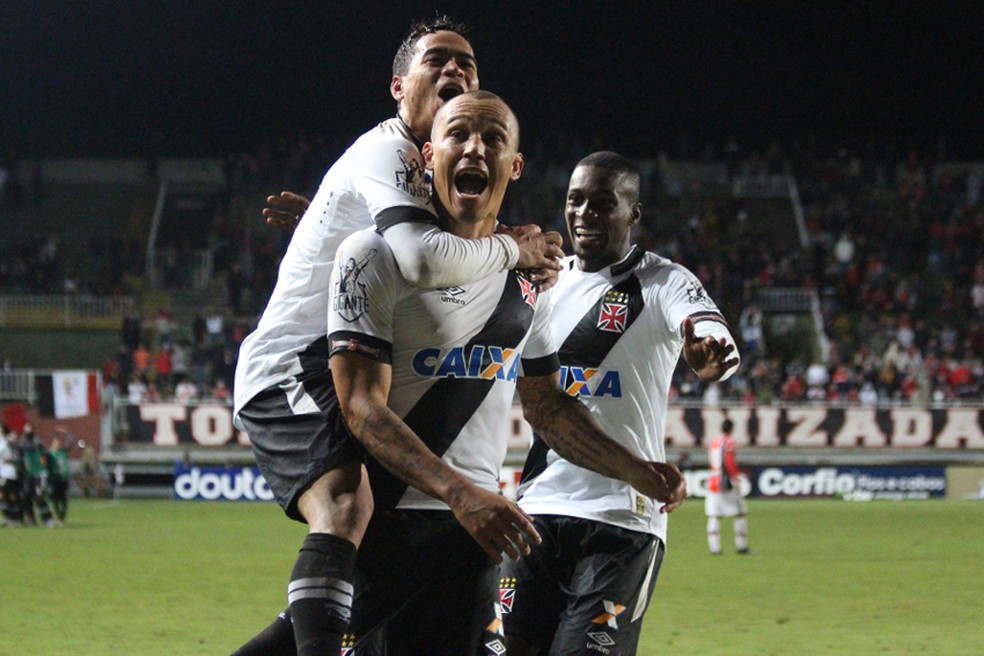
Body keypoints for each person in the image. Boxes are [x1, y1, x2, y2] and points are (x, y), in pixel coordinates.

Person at [231, 17, 562, 656]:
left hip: (401, 430)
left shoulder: (417, 177)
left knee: (367, 578)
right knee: (346, 508)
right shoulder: (385, 152)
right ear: (397, 86)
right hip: (292, 366)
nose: (455, 72)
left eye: (466, 64)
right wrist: (512, 250)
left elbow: (422, 245)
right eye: (436, 60)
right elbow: (416, 258)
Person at [326, 92, 681, 655]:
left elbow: (546, 407)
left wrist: (635, 469)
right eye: (458, 134)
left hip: (473, 541)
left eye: (493, 139)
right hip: (380, 528)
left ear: (513, 167)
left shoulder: (528, 277)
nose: (475, 148)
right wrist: (461, 493)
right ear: (427, 155)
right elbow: (361, 407)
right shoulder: (373, 254)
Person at [500, 151, 740, 655]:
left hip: (622, 519)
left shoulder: (662, 282)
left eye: (603, 203)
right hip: (537, 512)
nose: (585, 213)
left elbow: (708, 330)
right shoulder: (544, 282)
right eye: (575, 200)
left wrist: (710, 353)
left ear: (633, 213)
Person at [705, 418, 751, 555]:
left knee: (714, 515)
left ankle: (714, 548)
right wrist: (735, 478)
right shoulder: (729, 442)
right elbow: (728, 461)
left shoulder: (714, 442)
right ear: (731, 429)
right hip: (725, 482)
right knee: (740, 513)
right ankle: (741, 546)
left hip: (713, 480)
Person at [47, 429, 73, 525]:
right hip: (54, 479)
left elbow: (71, 442)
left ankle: (62, 517)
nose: (57, 445)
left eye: (58, 443)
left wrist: (66, 432)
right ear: (52, 444)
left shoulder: (62, 452)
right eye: (55, 443)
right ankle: (58, 516)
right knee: (56, 500)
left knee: (64, 499)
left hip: (64, 478)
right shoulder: (50, 454)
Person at [0, 424, 23, 527]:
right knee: (6, 497)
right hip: (5, 473)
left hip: (7, 474)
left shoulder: (6, 443)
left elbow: (12, 457)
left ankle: (11, 518)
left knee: (8, 497)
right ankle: (9, 518)